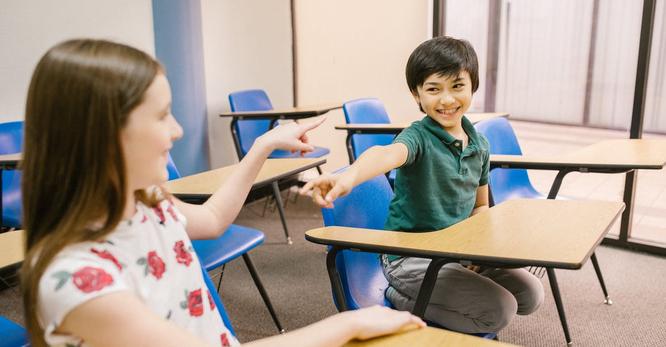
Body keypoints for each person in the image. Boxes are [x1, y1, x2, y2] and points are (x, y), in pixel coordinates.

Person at [20, 39, 425, 347]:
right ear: (103, 136)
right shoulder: (76, 281)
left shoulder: (147, 204)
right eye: (162, 116)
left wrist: (262, 147)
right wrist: (349, 323)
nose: (177, 130)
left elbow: (213, 219)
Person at [301, 36, 544, 334]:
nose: (446, 99)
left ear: (472, 87)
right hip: (410, 257)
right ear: (417, 95)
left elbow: (481, 207)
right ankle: (402, 298)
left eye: (457, 86)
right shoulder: (418, 137)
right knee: (500, 310)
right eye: (433, 89)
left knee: (531, 294)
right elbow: (385, 154)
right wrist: (348, 176)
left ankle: (445, 287)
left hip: (454, 252)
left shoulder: (479, 145)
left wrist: (478, 254)